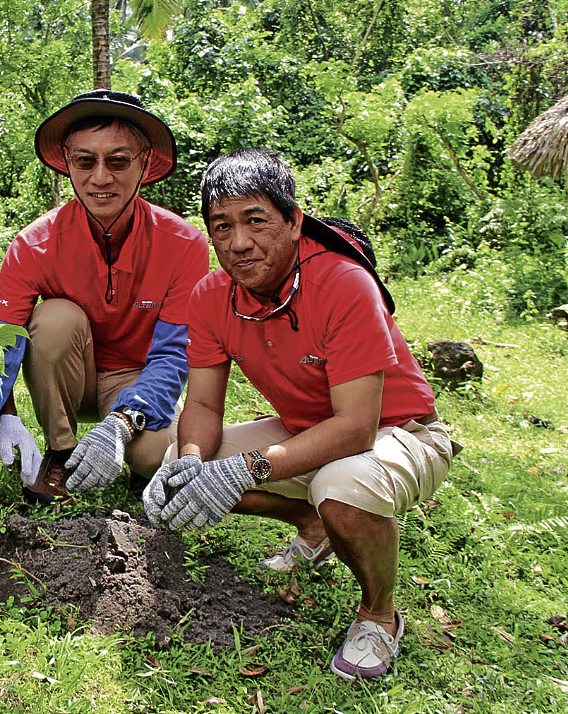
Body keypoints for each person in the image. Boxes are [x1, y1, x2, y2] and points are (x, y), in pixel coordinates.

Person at [143, 148, 456, 680]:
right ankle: (313, 526)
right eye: (222, 226)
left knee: (344, 482)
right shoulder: (212, 294)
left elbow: (357, 427)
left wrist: (247, 468)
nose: (239, 242)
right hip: (310, 428)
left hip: (400, 431)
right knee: (180, 457)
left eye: (256, 221)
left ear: (293, 221)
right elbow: (200, 404)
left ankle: (379, 615)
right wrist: (193, 461)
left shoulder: (341, 282)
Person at [0, 90, 209, 502]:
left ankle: (127, 442)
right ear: (68, 164)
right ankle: (61, 452)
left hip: (134, 376)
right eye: (84, 161)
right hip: (69, 375)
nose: (100, 178)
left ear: (145, 162)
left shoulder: (184, 244)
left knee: (152, 456)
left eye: (118, 161)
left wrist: (124, 421)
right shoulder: (35, 244)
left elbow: (173, 354)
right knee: (55, 318)